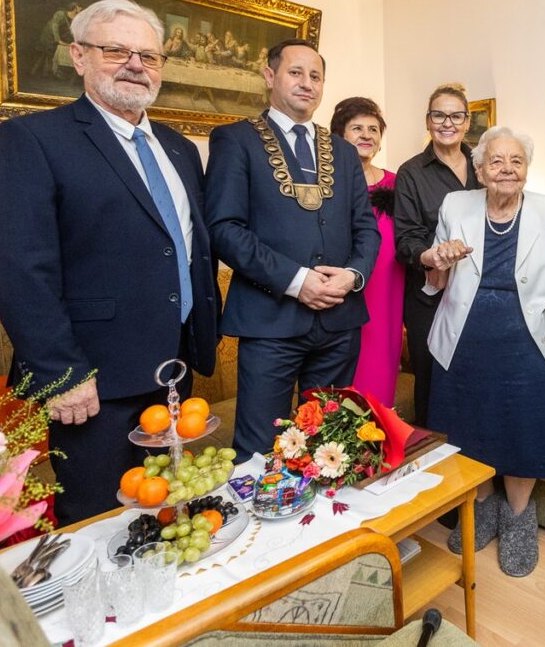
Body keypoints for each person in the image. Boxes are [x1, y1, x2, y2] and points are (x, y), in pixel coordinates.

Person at [0, 0, 219, 525]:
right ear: (78, 56)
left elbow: (184, 247)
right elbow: (19, 266)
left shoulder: (180, 149)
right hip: (93, 381)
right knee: (97, 523)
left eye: (149, 56)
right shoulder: (33, 138)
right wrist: (61, 373)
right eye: (116, 50)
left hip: (175, 369)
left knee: (167, 510)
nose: (136, 65)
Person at [424, 126, 545, 577]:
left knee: (524, 427)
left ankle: (519, 518)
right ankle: (483, 506)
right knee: (468, 426)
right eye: (496, 161)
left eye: (516, 161)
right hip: (463, 340)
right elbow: (436, 276)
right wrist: (436, 260)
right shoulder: (455, 205)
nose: (507, 169)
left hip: (526, 342)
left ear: (526, 169)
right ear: (480, 170)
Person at [205, 38, 380, 459]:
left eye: (315, 76)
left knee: (331, 448)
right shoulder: (235, 140)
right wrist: (297, 281)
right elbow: (224, 229)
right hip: (271, 323)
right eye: (296, 73)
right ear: (270, 76)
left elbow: (366, 228)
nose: (307, 83)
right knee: (259, 451)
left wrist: (353, 275)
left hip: (339, 321)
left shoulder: (343, 150)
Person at [394, 83, 479, 425]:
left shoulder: (485, 164)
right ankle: (437, 454)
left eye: (456, 116)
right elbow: (405, 240)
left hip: (477, 292)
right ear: (427, 121)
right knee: (433, 383)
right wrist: (431, 255)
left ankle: (477, 455)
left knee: (475, 379)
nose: (447, 123)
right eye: (439, 115)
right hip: (429, 297)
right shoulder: (411, 172)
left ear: (467, 121)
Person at [330, 97, 404, 405]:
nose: (366, 135)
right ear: (339, 135)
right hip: (349, 287)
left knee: (383, 368)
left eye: (373, 129)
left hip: (390, 288)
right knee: (347, 370)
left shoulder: (397, 182)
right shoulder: (329, 182)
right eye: (357, 128)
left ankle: (379, 430)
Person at [33, 1, 82, 76]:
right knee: (49, 53)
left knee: (56, 53)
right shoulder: (60, 14)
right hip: (49, 36)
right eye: (80, 7)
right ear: (75, 8)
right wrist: (58, 40)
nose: (81, 9)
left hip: (58, 37)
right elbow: (54, 26)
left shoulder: (74, 18)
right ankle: (46, 73)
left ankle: (50, 73)